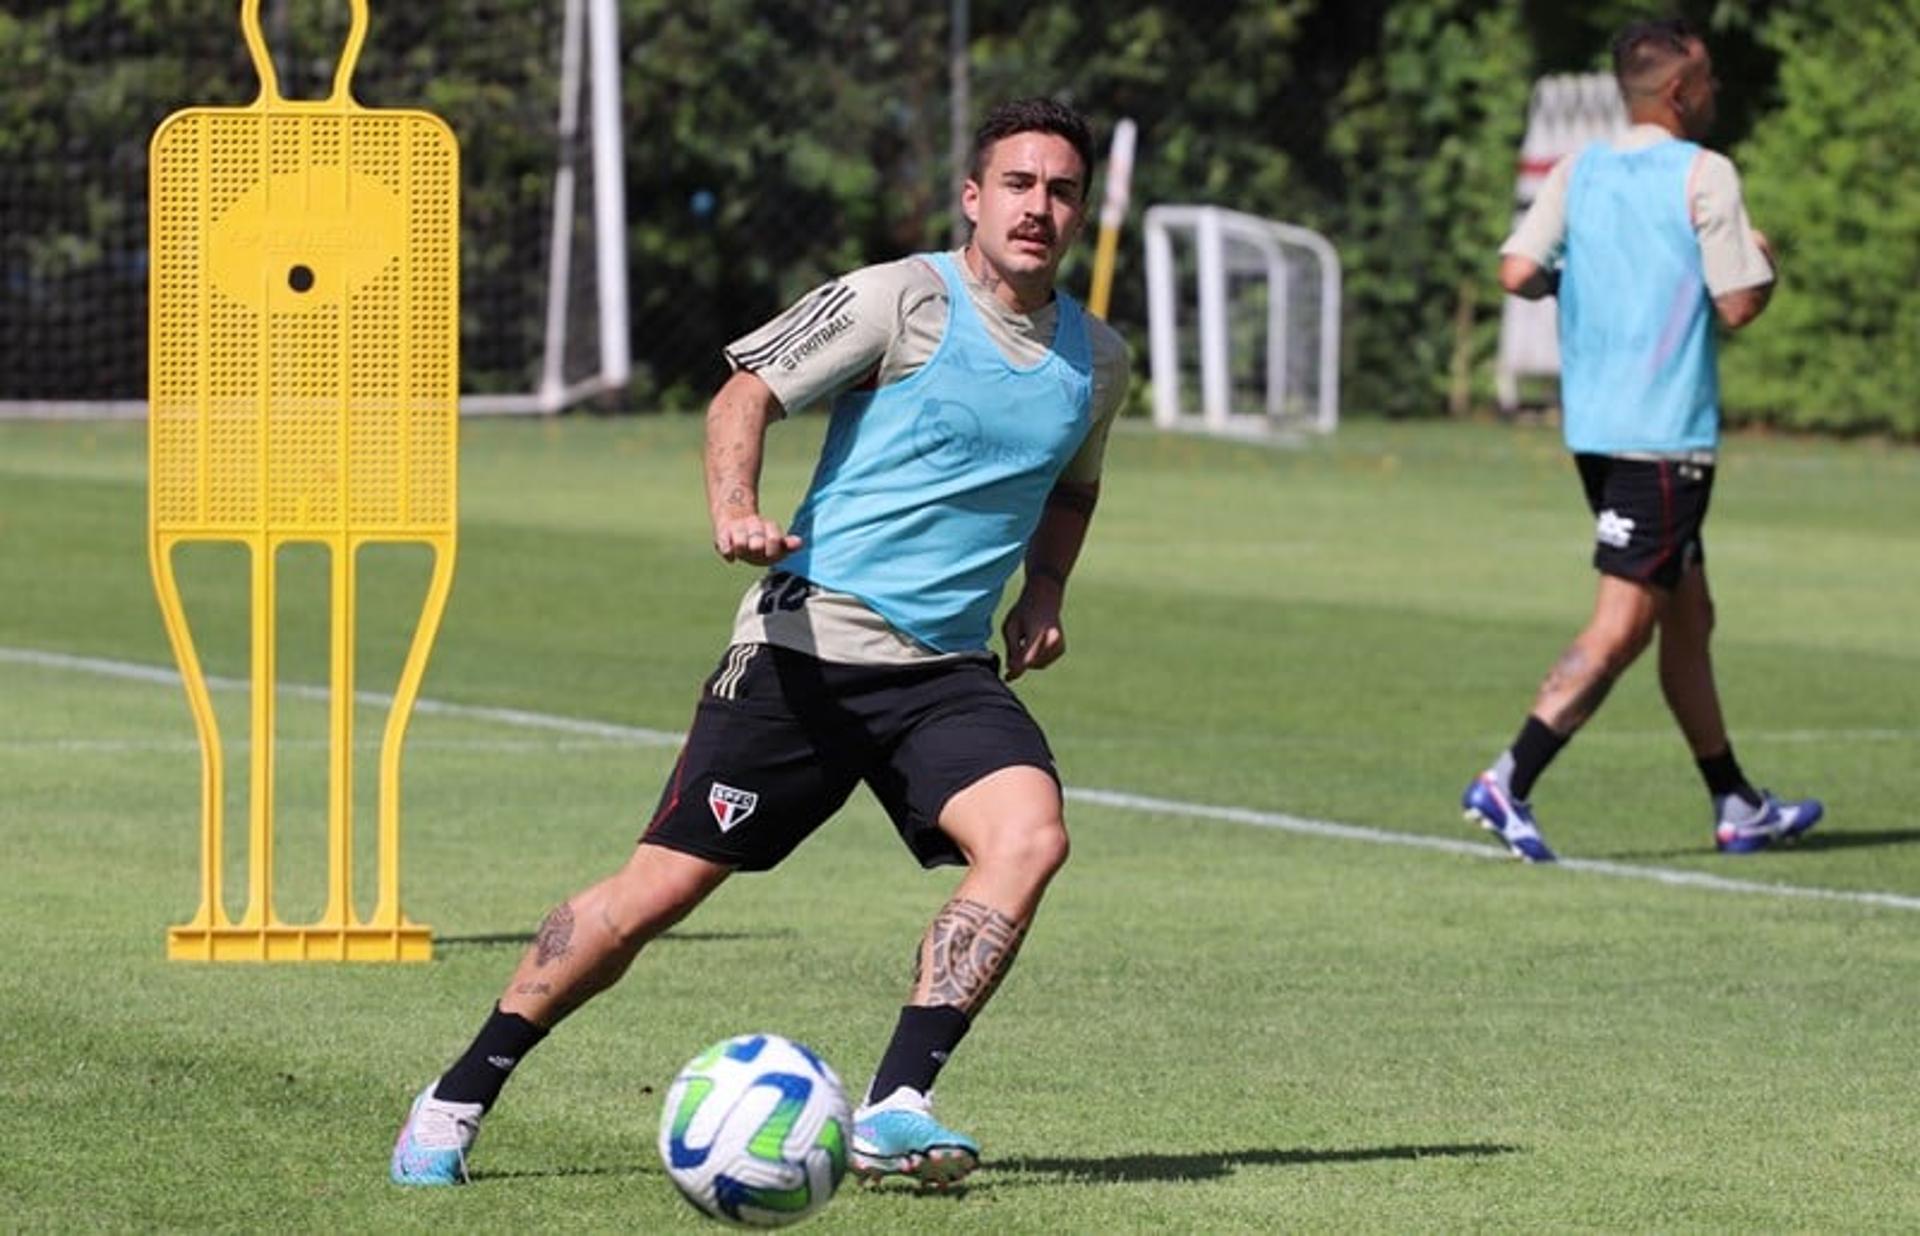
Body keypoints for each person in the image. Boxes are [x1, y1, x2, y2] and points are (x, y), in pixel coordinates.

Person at [391, 97, 1132, 1188]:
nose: (1039, 207)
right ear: (973, 199)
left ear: (1082, 211)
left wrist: (1045, 592)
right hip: (805, 653)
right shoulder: (899, 299)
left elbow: (1075, 484)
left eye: (1061, 190)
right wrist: (735, 507)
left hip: (944, 675)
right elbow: (744, 393)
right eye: (1017, 185)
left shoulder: (1097, 359)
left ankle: (894, 1105)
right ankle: (459, 1093)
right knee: (655, 896)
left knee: (1029, 837)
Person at [1462, 18, 1821, 863]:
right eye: (1708, 82)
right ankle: (1508, 779)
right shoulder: (1706, 173)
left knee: (1688, 615)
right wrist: (1759, 256)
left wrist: (1585, 280)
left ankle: (1736, 802)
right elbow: (1738, 303)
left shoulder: (1580, 170)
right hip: (1664, 438)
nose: (1716, 94)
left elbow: (1517, 272)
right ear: (1677, 92)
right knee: (1623, 626)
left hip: (1597, 430)